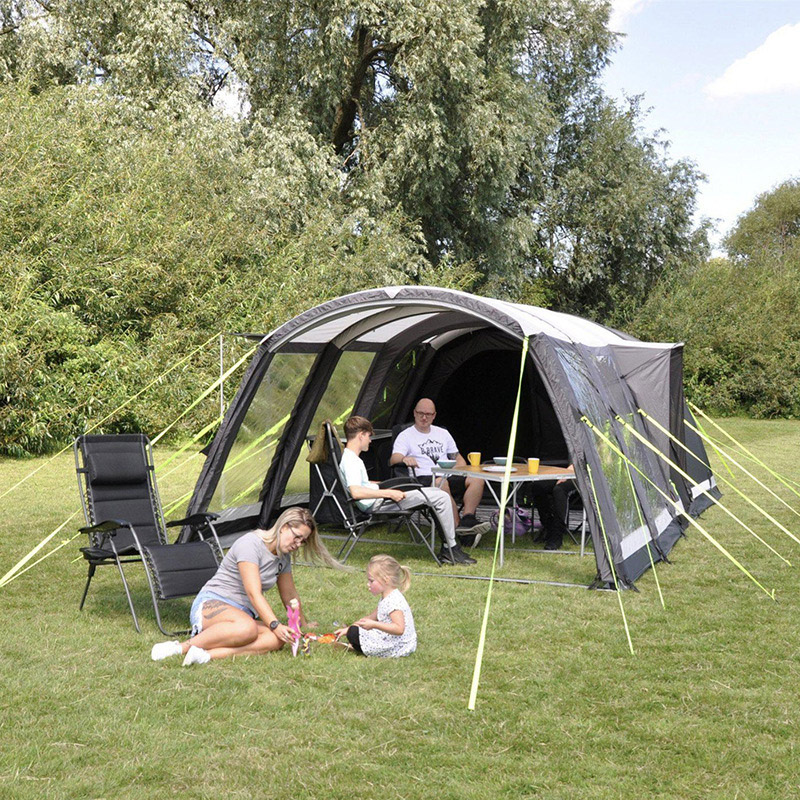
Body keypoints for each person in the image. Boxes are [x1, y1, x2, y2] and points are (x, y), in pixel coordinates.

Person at [150, 507, 340, 665]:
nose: (298, 544)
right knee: (249, 628)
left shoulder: (283, 557)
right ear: (283, 527)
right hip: (213, 603)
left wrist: (301, 623)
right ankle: (181, 648)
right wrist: (274, 624)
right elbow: (253, 592)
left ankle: (206, 656)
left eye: (303, 541)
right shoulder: (251, 544)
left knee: (276, 639)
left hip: (242, 615)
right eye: (297, 536)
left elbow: (289, 594)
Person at [341, 415, 476, 565]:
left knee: (438, 493)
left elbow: (361, 485)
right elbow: (356, 492)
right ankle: (450, 548)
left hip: (380, 499)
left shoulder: (351, 458)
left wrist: (382, 484)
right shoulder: (351, 461)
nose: (370, 440)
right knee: (441, 497)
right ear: (360, 435)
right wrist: (389, 492)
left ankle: (450, 547)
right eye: (368, 436)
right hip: (379, 504)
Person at [390, 398, 491, 546]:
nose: (424, 417)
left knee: (476, 478)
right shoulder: (405, 435)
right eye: (421, 413)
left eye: (428, 414)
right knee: (440, 483)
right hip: (423, 478)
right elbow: (394, 458)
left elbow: (457, 458)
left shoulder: (443, 433)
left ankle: (468, 519)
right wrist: (405, 458)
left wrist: (461, 469)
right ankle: (457, 526)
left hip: (447, 474)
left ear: (434, 415)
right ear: (414, 413)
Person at [335, 554, 417, 657]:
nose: (368, 584)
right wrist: (348, 628)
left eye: (371, 581)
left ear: (386, 580)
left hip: (398, 646)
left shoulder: (394, 601)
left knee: (354, 633)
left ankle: (355, 647)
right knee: (354, 631)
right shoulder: (387, 597)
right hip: (390, 639)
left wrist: (374, 625)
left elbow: (399, 629)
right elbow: (371, 617)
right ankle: (356, 645)